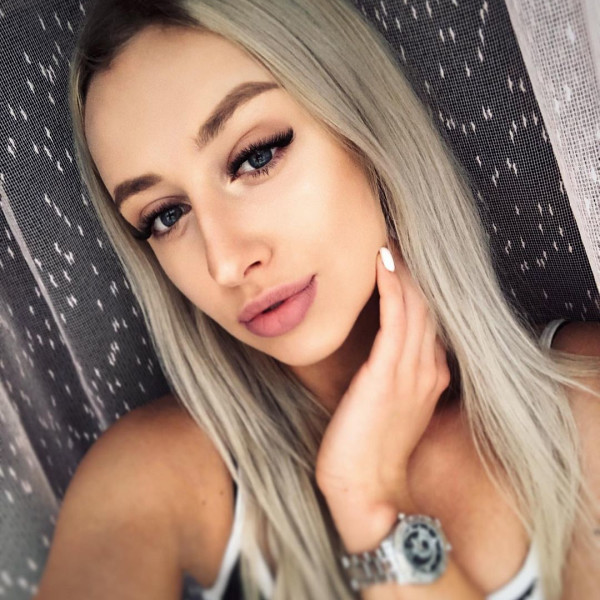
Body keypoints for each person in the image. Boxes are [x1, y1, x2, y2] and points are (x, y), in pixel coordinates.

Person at [35, 0, 600, 598]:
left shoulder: (580, 411)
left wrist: (370, 500)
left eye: (255, 156)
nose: (225, 263)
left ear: (360, 120)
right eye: (166, 215)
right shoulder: (148, 483)